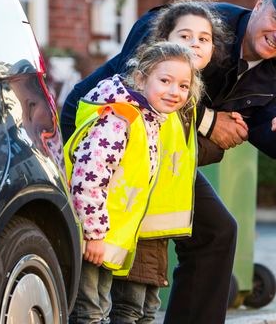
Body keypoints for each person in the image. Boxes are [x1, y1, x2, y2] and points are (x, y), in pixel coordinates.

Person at [61, 0, 276, 324]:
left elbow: (271, 120)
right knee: (99, 253)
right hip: (106, 139)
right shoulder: (193, 25)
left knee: (217, 233)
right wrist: (209, 122)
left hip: (163, 156)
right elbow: (143, 86)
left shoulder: (275, 72)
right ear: (259, 4)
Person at [108, 0, 240, 324]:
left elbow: (182, 154)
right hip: (132, 228)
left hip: (156, 233)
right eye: (185, 36)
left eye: (204, 38)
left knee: (143, 311)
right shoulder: (150, 98)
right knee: (124, 310)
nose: (195, 43)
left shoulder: (183, 99)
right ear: (163, 38)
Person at [66, 41, 203, 324]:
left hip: (107, 238)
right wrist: (94, 234)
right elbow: (88, 178)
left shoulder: (150, 119)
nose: (174, 92)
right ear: (141, 78)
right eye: (165, 81)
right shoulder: (119, 120)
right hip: (92, 235)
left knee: (99, 309)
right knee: (89, 313)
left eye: (183, 85)